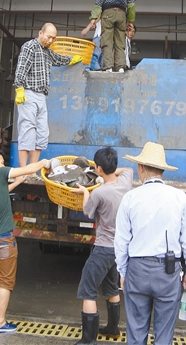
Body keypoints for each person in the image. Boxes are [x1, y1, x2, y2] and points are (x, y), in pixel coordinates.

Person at [114, 142, 186, 345]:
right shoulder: (180, 198)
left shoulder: (130, 198)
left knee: (135, 333)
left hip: (137, 270)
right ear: (162, 171)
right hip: (168, 273)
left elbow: (121, 241)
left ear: (141, 168)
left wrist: (123, 272)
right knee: (164, 335)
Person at [0, 147, 51, 333]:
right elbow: (30, 169)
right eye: (2, 162)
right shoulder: (0, 173)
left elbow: (1, 191)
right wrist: (45, 163)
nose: (4, 165)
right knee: (5, 281)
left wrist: (18, 182)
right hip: (4, 239)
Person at [71, 147, 133, 344]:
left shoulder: (99, 192)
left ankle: (88, 340)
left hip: (103, 248)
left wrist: (84, 192)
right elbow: (128, 171)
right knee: (112, 288)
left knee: (87, 290)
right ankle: (113, 329)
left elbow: (88, 212)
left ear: (98, 169)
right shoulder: (125, 183)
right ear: (113, 166)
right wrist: (112, 170)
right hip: (120, 250)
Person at [14, 22, 82, 177]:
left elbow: (58, 59)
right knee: (27, 131)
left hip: (41, 96)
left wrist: (72, 60)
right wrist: (19, 88)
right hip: (28, 93)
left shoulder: (47, 51)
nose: (51, 40)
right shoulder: (29, 47)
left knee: (42, 134)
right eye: (48, 37)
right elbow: (21, 68)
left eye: (53, 38)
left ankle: (32, 171)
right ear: (40, 33)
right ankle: (23, 171)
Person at [89, 0, 136, 74]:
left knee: (107, 41)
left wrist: (94, 17)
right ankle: (120, 68)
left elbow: (99, 0)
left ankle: (108, 67)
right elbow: (131, 4)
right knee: (120, 42)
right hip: (121, 14)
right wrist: (130, 21)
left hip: (108, 13)